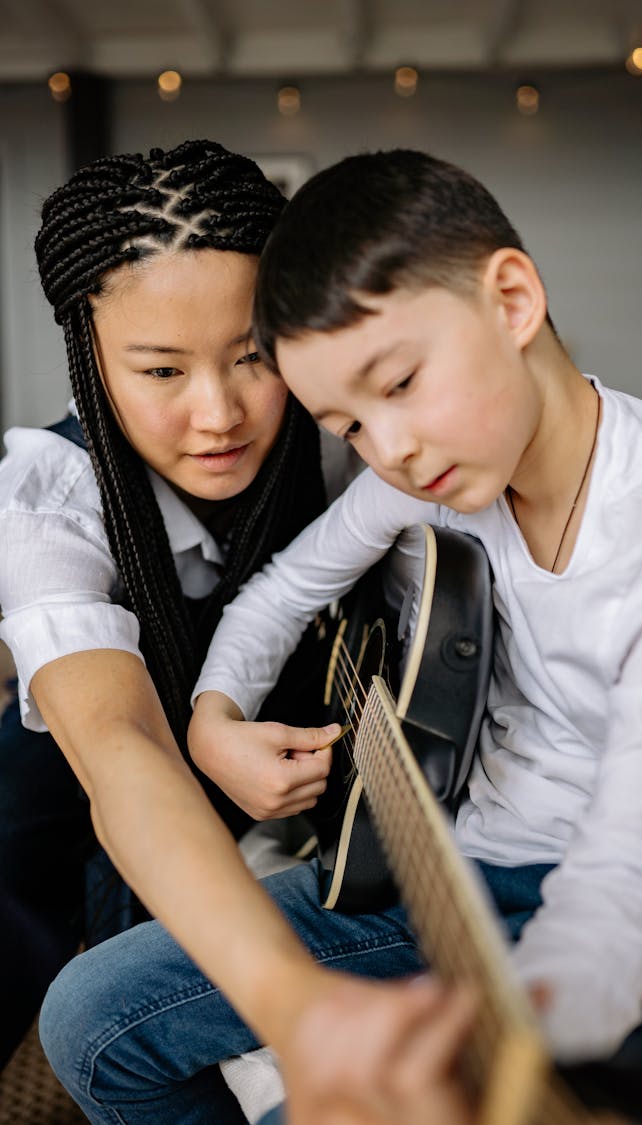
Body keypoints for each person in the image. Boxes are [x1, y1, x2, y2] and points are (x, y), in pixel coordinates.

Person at [40, 149, 642, 1124]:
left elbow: (628, 879)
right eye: (350, 425)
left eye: (402, 384)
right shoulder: (439, 464)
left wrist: (479, 1047)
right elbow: (281, 592)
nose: (391, 451)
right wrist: (216, 714)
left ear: (511, 300)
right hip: (464, 865)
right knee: (86, 1019)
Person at [0, 138, 340, 1069]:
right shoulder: (49, 495)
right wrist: (291, 1002)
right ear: (90, 360)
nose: (220, 412)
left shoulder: (345, 432)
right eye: (160, 371)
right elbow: (122, 748)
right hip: (61, 794)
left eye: (252, 355)